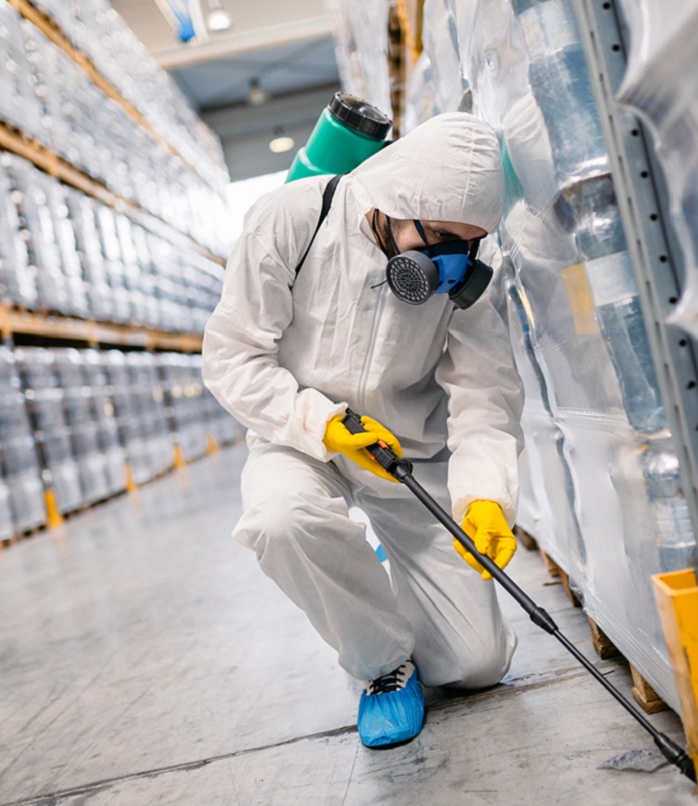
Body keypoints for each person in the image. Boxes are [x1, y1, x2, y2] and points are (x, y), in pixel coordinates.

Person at [202, 112, 524, 748]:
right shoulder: (291, 219)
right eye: (437, 241)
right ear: (393, 198)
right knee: (280, 521)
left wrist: (487, 493)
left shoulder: (465, 277)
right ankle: (382, 665)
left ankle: (381, 568)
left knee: (475, 666)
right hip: (299, 437)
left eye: (468, 244)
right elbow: (231, 355)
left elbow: (485, 395)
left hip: (408, 450)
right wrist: (319, 423)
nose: (449, 264)